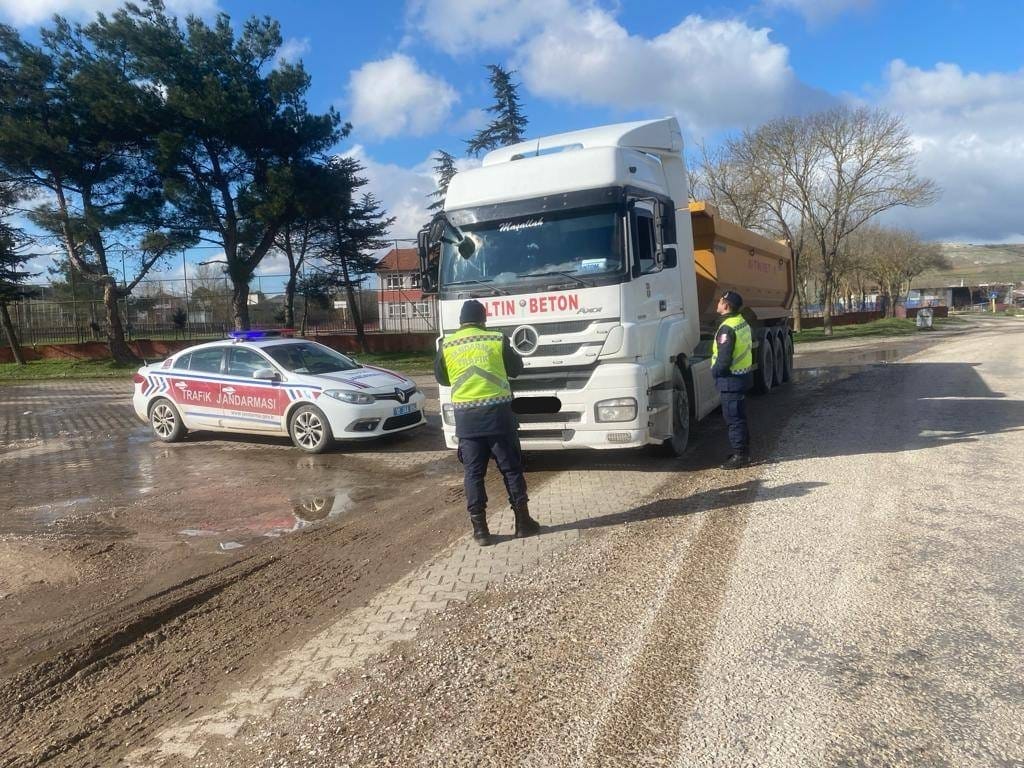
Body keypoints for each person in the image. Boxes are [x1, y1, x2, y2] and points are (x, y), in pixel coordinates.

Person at [435, 299, 540, 546]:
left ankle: (480, 530)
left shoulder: (447, 344)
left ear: (461, 321)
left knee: (473, 474)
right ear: (484, 319)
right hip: (499, 418)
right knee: (511, 470)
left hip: (467, 422)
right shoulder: (496, 339)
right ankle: (523, 523)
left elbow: (442, 378)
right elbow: (516, 369)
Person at [711, 290, 753, 469]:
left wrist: (715, 371)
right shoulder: (741, 321)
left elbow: (724, 359)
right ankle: (743, 451)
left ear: (726, 305)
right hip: (741, 377)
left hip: (730, 380)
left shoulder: (727, 328)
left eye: (720, 301)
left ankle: (740, 456)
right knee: (739, 417)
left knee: (733, 419)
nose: (717, 304)